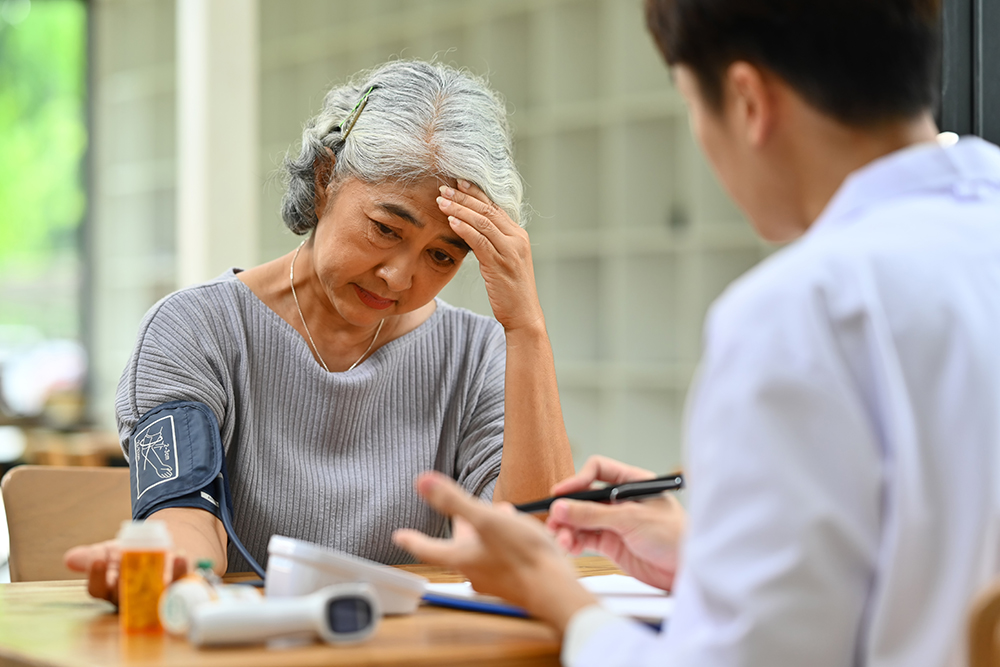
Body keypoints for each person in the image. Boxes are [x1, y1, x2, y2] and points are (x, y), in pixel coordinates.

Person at [392, 1, 1000, 665]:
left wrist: (559, 597)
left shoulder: (800, 313)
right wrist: (711, 559)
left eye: (690, 103)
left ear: (747, 101)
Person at [65, 59, 575, 602]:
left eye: (443, 256)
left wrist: (527, 329)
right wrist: (168, 562)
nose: (400, 276)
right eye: (385, 229)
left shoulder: (476, 355)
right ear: (327, 177)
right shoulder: (195, 331)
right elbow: (186, 515)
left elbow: (532, 553)